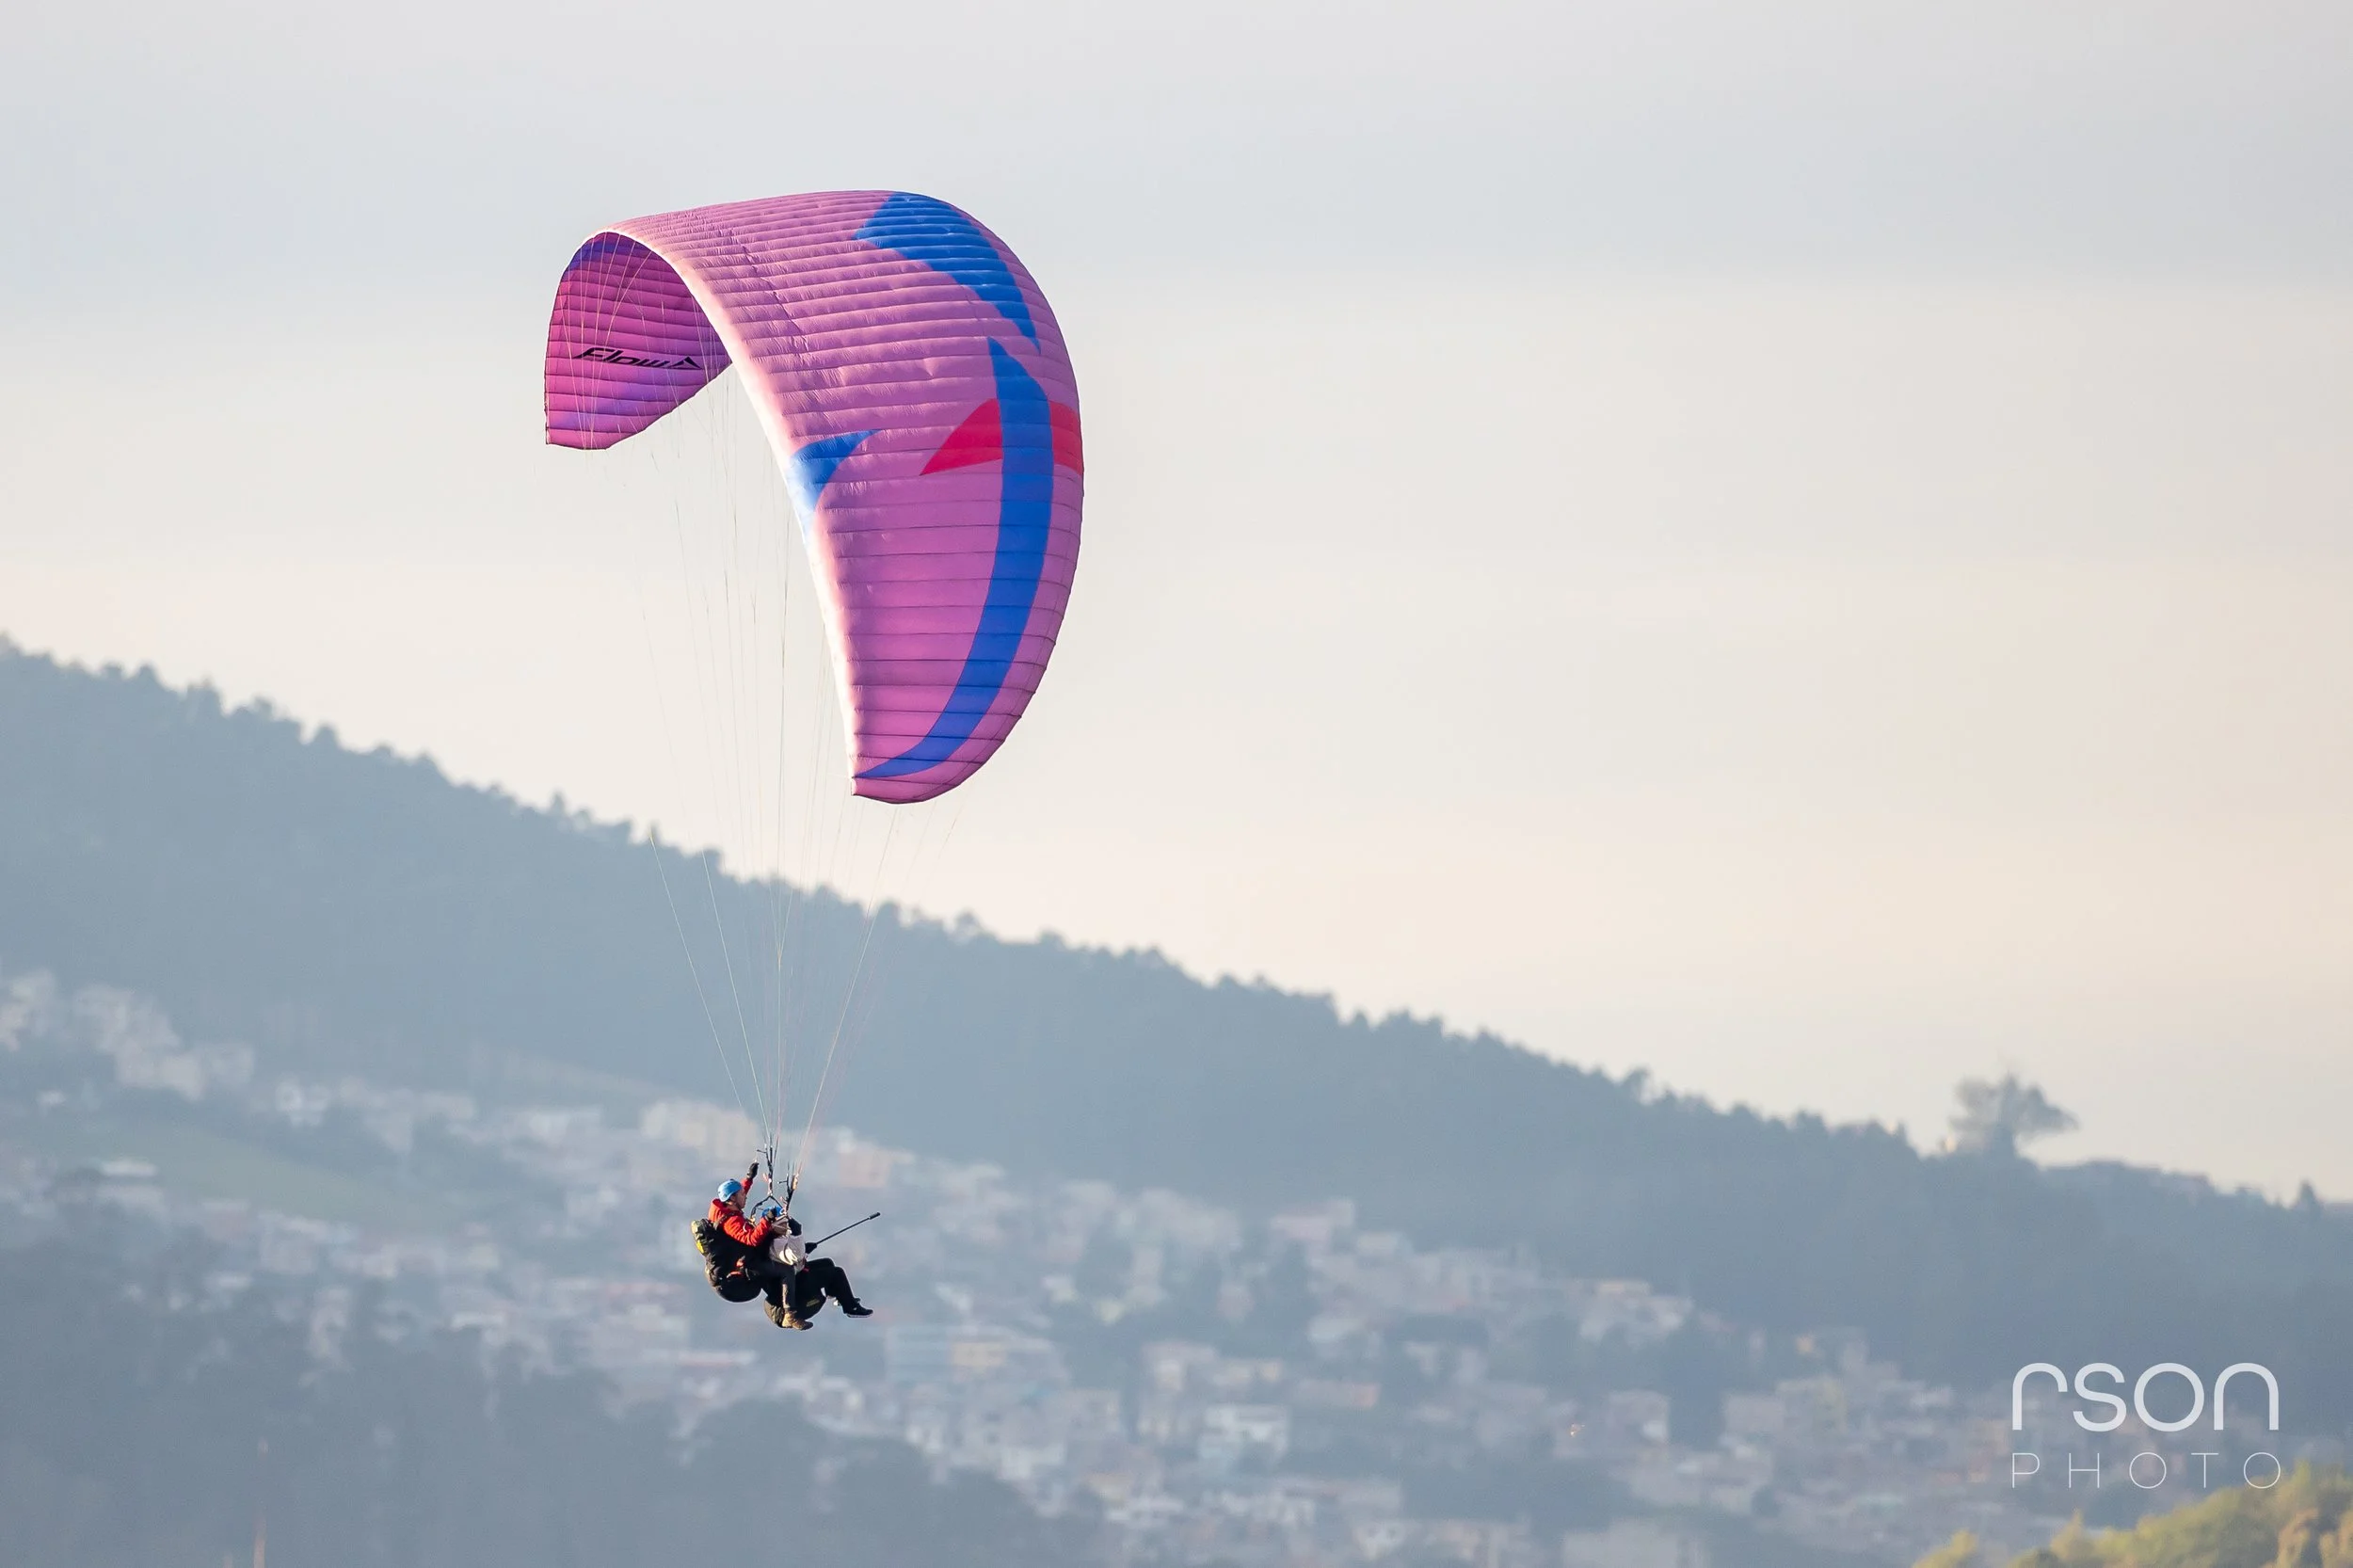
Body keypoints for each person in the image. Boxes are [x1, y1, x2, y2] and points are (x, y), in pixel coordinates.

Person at [693, 1164, 872, 1330]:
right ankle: (791, 1315)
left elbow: (739, 1192)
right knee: (787, 1271)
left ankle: (841, 1297)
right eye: (742, 1195)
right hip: (745, 1269)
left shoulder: (723, 1208)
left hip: (752, 1259)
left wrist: (749, 1178)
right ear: (732, 1199)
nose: (745, 1197)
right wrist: (768, 1220)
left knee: (827, 1263)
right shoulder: (731, 1222)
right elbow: (751, 1240)